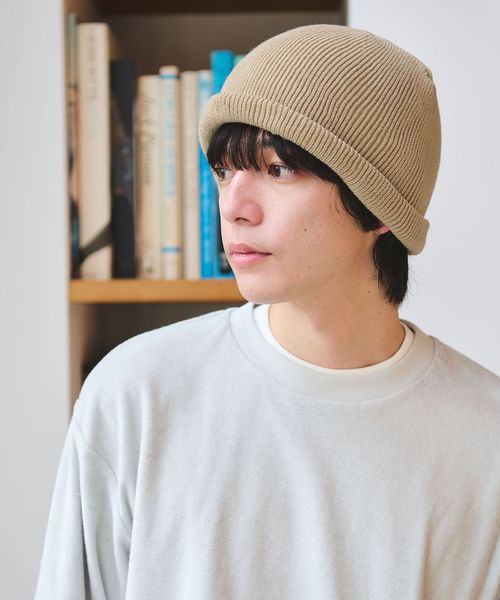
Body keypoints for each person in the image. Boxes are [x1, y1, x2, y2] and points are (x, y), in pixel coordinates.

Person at [36, 24, 500, 600]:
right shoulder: (138, 395)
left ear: (381, 205)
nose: (233, 207)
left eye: (278, 170)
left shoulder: (484, 438)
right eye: (224, 171)